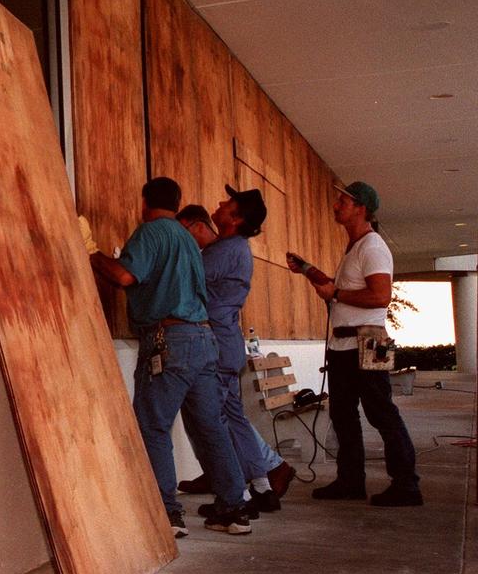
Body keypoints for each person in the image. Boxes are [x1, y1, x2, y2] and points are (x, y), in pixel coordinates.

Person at [90, 177, 251, 537]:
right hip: (204, 339)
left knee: (152, 425)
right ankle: (233, 510)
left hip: (169, 341)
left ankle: (167, 514)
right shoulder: (188, 239)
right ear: (177, 204)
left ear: (144, 201)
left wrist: (89, 252)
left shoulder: (150, 232)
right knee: (211, 426)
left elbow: (124, 276)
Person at [287, 181, 421, 506]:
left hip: (370, 339)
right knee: (343, 414)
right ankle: (350, 481)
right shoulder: (357, 247)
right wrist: (312, 274)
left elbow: (380, 296)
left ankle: (406, 485)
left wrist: (336, 293)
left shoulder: (373, 247)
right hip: (347, 343)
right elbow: (346, 292)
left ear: (360, 208)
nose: (336, 205)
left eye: (342, 201)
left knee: (382, 413)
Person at [175, 196, 296, 518]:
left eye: (227, 203)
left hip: (216, 345)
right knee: (233, 420)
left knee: (215, 423)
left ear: (236, 218)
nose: (219, 203)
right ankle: (262, 488)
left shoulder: (225, 251)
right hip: (226, 344)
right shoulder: (232, 248)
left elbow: (183, 280)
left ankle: (237, 496)